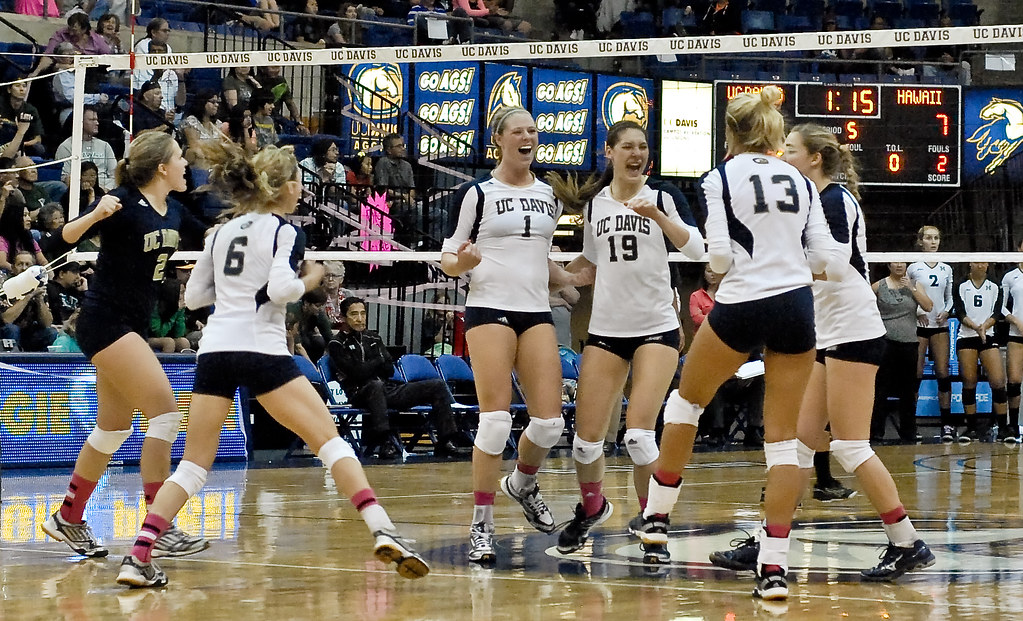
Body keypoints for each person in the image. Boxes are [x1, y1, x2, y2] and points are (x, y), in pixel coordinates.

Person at [115, 141, 428, 588]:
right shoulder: (283, 231)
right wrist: (311, 278)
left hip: (216, 351)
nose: (301, 190)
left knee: (193, 466)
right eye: (298, 182)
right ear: (283, 188)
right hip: (260, 349)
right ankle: (382, 529)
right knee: (330, 442)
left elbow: (196, 297)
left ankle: (138, 556)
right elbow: (282, 290)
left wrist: (237, 289)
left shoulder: (221, 232)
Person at [634, 87, 841, 601]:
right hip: (796, 306)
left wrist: (739, 263)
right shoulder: (800, 179)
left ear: (729, 131)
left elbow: (720, 259)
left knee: (686, 404)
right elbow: (825, 260)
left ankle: (657, 519)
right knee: (783, 442)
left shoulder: (720, 177)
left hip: (743, 302)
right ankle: (773, 570)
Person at [709, 123, 935, 584]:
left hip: (853, 328)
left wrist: (771, 271)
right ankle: (768, 539)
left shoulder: (834, 200)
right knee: (796, 442)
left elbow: (832, 265)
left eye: (790, 150)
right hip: (825, 331)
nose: (782, 156)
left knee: (850, 446)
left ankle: (907, 542)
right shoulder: (807, 201)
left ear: (814, 158)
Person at [39, 131, 209, 560]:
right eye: (179, 157)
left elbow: (210, 239)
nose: (186, 165)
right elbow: (54, 243)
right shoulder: (122, 202)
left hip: (132, 324)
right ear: (161, 167)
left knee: (113, 429)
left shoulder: (175, 211)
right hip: (105, 322)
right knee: (165, 414)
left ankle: (68, 516)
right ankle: (159, 525)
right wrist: (95, 215)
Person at [545, 120, 704, 555]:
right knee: (584, 444)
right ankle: (592, 508)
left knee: (638, 435)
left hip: (656, 328)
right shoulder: (595, 206)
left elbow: (698, 250)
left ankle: (654, 521)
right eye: (628, 146)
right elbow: (590, 264)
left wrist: (658, 217)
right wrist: (552, 276)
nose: (637, 154)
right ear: (610, 153)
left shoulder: (663, 197)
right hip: (607, 331)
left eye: (642, 147)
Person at [440, 106, 588, 564]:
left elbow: (538, 259)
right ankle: (481, 525)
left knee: (550, 424)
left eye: (533, 130)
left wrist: (570, 278)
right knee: (495, 421)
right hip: (489, 307)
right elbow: (449, 258)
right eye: (518, 131)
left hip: (535, 309)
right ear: (499, 140)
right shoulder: (477, 193)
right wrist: (463, 263)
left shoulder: (549, 196)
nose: (528, 136)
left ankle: (522, 482)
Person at [327, 296, 473, 459]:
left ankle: (446, 441)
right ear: (343, 317)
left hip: (387, 388)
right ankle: (385, 441)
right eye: (354, 314)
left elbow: (389, 369)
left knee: (437, 385)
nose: (360, 318)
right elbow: (357, 373)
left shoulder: (373, 338)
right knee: (375, 385)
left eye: (363, 313)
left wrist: (371, 365)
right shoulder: (336, 344)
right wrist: (377, 361)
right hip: (359, 393)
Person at [871, 262, 933, 443]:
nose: (899, 265)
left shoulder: (915, 284)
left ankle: (908, 432)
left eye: (902, 262)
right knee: (880, 389)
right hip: (885, 343)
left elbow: (928, 306)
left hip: (909, 344)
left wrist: (912, 289)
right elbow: (863, 308)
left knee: (908, 390)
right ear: (889, 265)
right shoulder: (878, 286)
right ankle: (876, 432)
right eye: (895, 262)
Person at [907, 225, 955, 440]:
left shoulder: (946, 268)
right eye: (928, 238)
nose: (933, 242)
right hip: (919, 326)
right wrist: (918, 312)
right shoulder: (913, 267)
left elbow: (949, 297)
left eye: (936, 238)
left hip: (939, 326)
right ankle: (911, 424)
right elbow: (909, 293)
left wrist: (946, 311)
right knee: (916, 373)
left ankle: (947, 425)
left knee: (943, 373)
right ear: (921, 241)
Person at [953, 262, 1008, 442]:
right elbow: (960, 312)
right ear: (970, 263)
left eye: (984, 262)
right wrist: (976, 327)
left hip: (988, 335)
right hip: (967, 336)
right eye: (977, 261)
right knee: (969, 380)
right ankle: (971, 428)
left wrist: (984, 327)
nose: (981, 265)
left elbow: (997, 312)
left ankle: (1003, 428)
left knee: (998, 381)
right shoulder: (961, 284)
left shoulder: (995, 284)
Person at [0, 250, 57, 351]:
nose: (24, 268)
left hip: (28, 333)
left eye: (28, 265)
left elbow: (47, 323)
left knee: (51, 332)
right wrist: (29, 296)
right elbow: (6, 319)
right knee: (12, 329)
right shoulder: (5, 287)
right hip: (6, 331)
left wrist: (40, 300)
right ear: (13, 268)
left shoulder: (38, 285)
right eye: (20, 264)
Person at [56, 105, 118, 190]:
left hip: (107, 191)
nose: (97, 123)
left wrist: (106, 189)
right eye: (92, 120)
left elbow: (115, 175)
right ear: (80, 122)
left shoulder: (105, 146)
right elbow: (65, 178)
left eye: (96, 120)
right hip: (81, 191)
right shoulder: (66, 147)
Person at [1001, 243, 1023, 443]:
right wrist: (1016, 321)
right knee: (1014, 381)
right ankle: (1013, 426)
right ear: (1019, 249)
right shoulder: (1010, 276)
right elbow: (1001, 307)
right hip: (1016, 334)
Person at [0, 203, 47, 272]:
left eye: (28, 215)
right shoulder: (2, 239)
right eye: (25, 215)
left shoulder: (28, 238)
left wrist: (50, 273)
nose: (29, 219)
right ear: (14, 218)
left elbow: (43, 262)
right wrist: (20, 272)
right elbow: (2, 263)